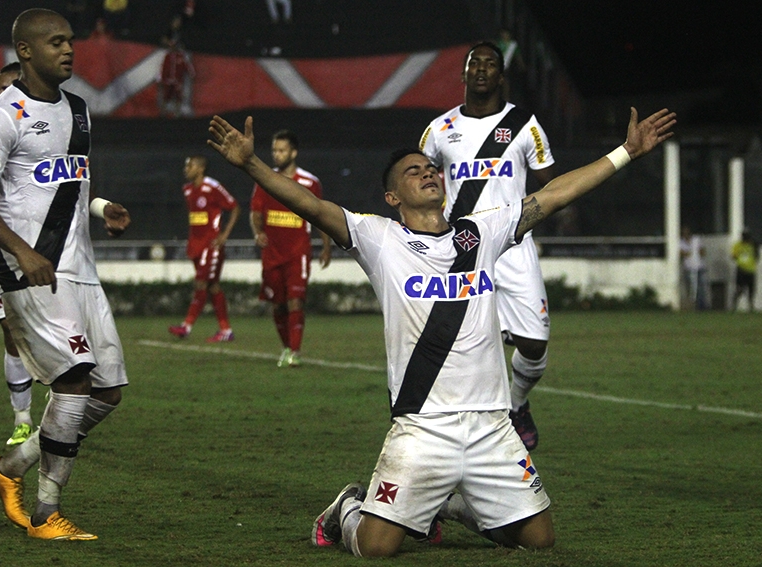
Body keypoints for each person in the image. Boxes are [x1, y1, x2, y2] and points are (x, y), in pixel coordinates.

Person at [206, 103, 675, 556]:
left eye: (431, 168)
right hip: (423, 427)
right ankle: (344, 510)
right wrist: (252, 166)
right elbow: (309, 204)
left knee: (539, 540)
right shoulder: (379, 238)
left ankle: (448, 504)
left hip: (492, 424)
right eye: (413, 171)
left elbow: (553, 195)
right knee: (376, 548)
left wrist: (625, 153)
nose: (428, 172)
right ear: (392, 197)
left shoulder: (480, 232)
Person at [0, 8, 131, 540]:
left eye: (70, 41)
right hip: (31, 272)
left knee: (107, 391)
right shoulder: (0, 116)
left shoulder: (79, 109)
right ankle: (47, 514)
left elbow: (66, 185)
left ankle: (7, 470)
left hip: (81, 270)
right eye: (55, 42)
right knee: (73, 384)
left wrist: (102, 208)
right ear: (25, 51)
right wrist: (22, 253)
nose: (69, 50)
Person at [419, 42, 557, 451]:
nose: (481, 69)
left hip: (514, 245)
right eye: (473, 63)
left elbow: (552, 185)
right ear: (462, 75)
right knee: (475, 347)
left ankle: (517, 404)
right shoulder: (439, 130)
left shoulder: (524, 125)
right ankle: (474, 434)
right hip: (463, 249)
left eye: (490, 64)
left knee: (534, 346)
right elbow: (417, 182)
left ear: (501, 76)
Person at [250, 130, 331, 367]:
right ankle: (286, 347)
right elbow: (255, 213)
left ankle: (294, 352)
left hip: (298, 252)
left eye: (282, 150)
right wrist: (258, 232)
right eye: (275, 150)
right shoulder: (265, 180)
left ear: (293, 152)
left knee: (296, 301)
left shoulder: (309, 182)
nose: (277, 154)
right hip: (272, 253)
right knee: (278, 304)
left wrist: (326, 246)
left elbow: (321, 216)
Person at [0, 61, 35, 448]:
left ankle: (63, 407)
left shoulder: (49, 130)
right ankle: (22, 417)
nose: (3, 97)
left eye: (9, 88)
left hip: (54, 249)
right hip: (4, 252)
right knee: (12, 331)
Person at [169, 155, 240, 342]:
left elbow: (234, 207)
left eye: (190, 166)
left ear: (200, 168)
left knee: (201, 284)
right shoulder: (187, 190)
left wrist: (224, 236)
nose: (186, 169)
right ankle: (226, 330)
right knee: (212, 286)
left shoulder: (212, 187)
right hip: (196, 245)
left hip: (211, 245)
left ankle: (186, 326)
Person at [680, 225, 708, 310]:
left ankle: (701, 306)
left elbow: (702, 252)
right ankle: (694, 305)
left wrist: (695, 252)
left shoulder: (696, 240)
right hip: (689, 268)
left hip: (699, 267)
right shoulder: (681, 242)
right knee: (692, 288)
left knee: (701, 287)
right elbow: (682, 254)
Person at [731, 229, 760, 311]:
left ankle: (751, 305)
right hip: (741, 269)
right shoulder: (738, 245)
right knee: (740, 288)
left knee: (751, 289)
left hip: (751, 270)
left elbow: (757, 256)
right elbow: (733, 256)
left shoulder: (753, 245)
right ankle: (734, 305)